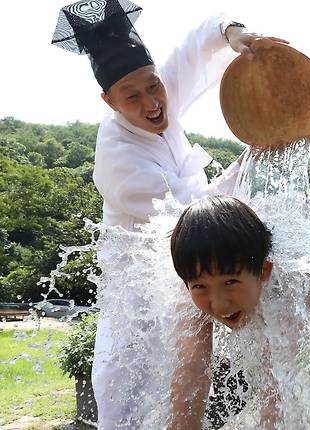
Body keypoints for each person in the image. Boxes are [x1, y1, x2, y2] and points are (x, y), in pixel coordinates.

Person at [51, 1, 286, 427]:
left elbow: (201, 41)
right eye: (133, 96)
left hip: (191, 266)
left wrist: (236, 34)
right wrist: (250, 158)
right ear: (109, 100)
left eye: (154, 86)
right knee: (135, 404)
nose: (153, 103)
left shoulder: (155, 92)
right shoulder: (119, 160)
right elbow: (193, 223)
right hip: (142, 299)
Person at [169, 195, 276, 428]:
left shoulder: (287, 289)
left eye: (230, 282)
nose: (218, 304)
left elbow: (278, 388)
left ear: (264, 271)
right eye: (200, 286)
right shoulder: (189, 291)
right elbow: (191, 371)